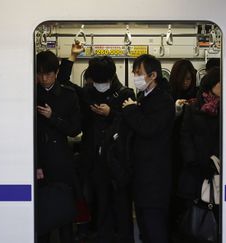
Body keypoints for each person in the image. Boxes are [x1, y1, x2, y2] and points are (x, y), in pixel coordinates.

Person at [81, 56, 136, 243]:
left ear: (112, 77)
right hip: (94, 158)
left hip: (118, 159)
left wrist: (111, 114)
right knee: (99, 202)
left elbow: (133, 124)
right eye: (96, 81)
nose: (99, 85)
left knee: (121, 203)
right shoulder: (87, 92)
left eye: (102, 81)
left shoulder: (125, 94)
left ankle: (124, 237)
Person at [122, 54, 175, 243]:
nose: (136, 77)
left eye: (139, 73)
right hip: (141, 172)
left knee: (154, 225)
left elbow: (148, 128)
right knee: (143, 223)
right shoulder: (142, 97)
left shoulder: (163, 100)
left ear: (153, 76)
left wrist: (130, 110)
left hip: (155, 174)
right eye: (134, 73)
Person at [35, 47, 82, 243]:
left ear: (55, 73)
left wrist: (53, 117)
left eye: (48, 74)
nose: (44, 78)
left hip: (60, 159)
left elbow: (74, 129)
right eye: (40, 74)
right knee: (42, 212)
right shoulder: (30, 93)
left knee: (64, 211)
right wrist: (36, 164)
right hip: (38, 158)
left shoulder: (68, 95)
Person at [178, 67, 221, 241]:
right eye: (221, 83)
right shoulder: (194, 107)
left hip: (218, 168)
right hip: (195, 171)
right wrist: (195, 161)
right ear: (211, 85)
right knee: (196, 215)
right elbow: (185, 137)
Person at [167, 59, 199, 238]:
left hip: (190, 150)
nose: (187, 82)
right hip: (172, 150)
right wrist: (176, 111)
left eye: (190, 79)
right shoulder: (168, 95)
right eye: (184, 79)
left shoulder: (198, 95)